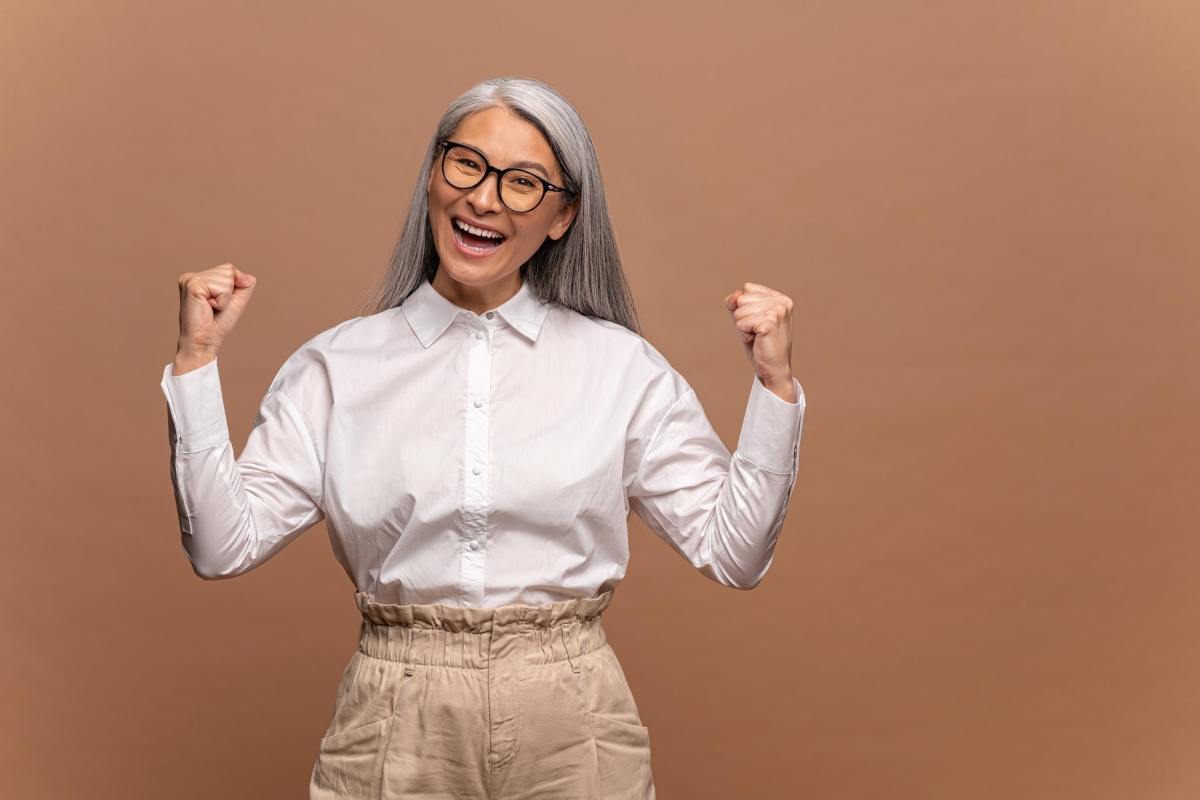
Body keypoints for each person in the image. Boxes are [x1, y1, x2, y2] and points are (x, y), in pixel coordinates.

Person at [160, 77, 805, 800]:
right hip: (394, 719)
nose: (486, 198)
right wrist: (196, 365)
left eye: (524, 183)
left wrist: (774, 388)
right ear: (433, 174)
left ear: (563, 216)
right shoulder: (337, 367)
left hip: (572, 720)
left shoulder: (620, 368)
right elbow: (221, 546)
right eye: (466, 164)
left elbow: (735, 554)